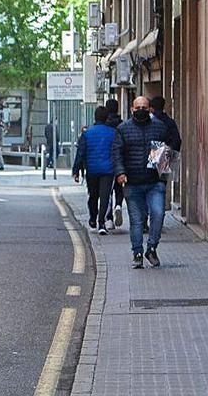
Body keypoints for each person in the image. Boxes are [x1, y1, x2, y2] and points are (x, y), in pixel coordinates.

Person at [112, 96, 171, 268]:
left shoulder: (160, 127)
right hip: (133, 182)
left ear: (150, 109)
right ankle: (137, 252)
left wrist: (164, 170)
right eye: (138, 107)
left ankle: (151, 248)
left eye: (144, 107)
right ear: (132, 109)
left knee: (158, 214)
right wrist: (120, 173)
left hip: (155, 182)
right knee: (137, 220)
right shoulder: (123, 129)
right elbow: (117, 153)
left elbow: (167, 150)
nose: (141, 110)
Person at [73, 107, 118, 235]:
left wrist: (76, 171)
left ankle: (93, 217)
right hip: (108, 170)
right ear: (107, 117)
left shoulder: (87, 134)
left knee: (93, 196)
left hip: (92, 170)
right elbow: (117, 152)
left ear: (95, 117)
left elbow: (80, 153)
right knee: (105, 196)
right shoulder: (113, 133)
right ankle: (101, 222)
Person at [104, 98, 125, 228]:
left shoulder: (103, 124)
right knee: (119, 186)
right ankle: (118, 205)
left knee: (107, 190)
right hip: (120, 160)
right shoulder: (122, 124)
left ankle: (109, 219)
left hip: (106, 161)